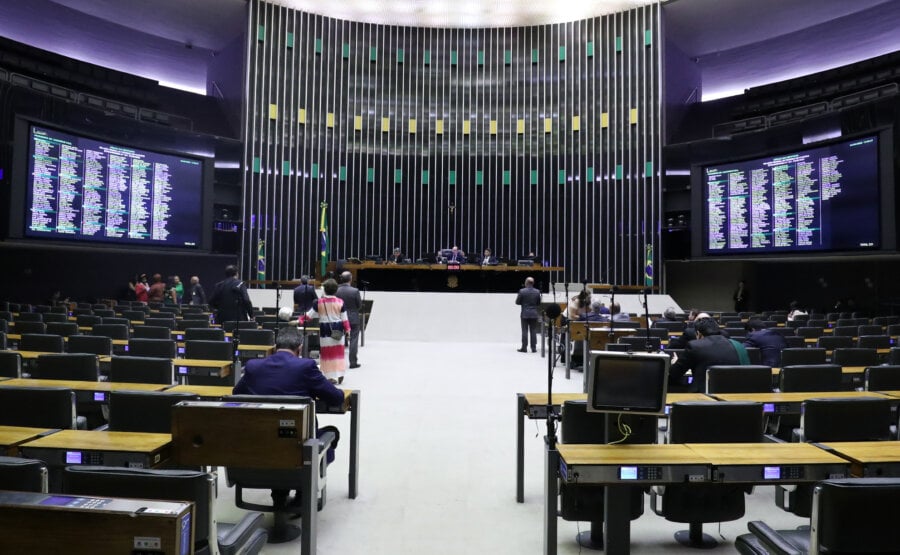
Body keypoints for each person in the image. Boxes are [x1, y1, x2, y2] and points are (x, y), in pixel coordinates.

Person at [232, 326, 344, 508]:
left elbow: (236, 394)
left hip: (255, 451)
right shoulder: (306, 366)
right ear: (299, 348)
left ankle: (279, 493)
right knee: (329, 434)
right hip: (298, 454)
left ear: (276, 346)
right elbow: (336, 397)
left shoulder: (253, 366)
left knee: (275, 436)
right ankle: (302, 491)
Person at [669, 317, 745, 393]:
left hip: (703, 397)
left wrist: (675, 363)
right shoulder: (737, 345)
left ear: (698, 333)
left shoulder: (694, 346)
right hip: (734, 394)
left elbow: (674, 374)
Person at [300, 278, 350, 383]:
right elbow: (345, 319)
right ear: (336, 290)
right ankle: (340, 373)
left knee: (327, 354)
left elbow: (308, 316)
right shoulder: (340, 302)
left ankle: (330, 377)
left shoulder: (319, 302)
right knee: (339, 353)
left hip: (325, 330)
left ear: (325, 289)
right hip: (338, 330)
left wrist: (298, 320)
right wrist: (348, 331)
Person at [335, 271, 362, 369]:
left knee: (337, 339)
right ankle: (353, 363)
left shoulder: (336, 290)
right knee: (354, 340)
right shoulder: (355, 291)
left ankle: (337, 363)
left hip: (338, 318)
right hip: (353, 318)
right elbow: (359, 305)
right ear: (350, 279)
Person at [515, 276, 541, 353]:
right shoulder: (537, 291)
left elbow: (517, 302)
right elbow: (538, 303)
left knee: (524, 331)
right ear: (533, 283)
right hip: (534, 314)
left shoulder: (522, 291)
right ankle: (533, 348)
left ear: (526, 282)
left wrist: (523, 302)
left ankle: (524, 347)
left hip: (525, 314)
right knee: (533, 331)